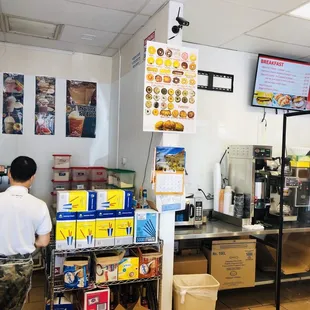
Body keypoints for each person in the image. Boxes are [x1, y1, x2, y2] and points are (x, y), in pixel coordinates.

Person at [0, 156, 52, 310]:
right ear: (32, 178)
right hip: (21, 268)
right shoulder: (39, 206)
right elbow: (43, 242)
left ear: (9, 174)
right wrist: (27, 241)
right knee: (13, 306)